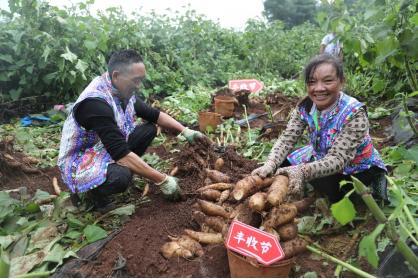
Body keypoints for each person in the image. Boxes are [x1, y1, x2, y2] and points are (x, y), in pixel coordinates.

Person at [58, 49, 207, 209]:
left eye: (141, 80)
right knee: (121, 177)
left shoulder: (121, 90)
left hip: (102, 148)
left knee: (149, 129)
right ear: (116, 75)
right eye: (136, 80)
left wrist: (185, 131)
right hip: (80, 160)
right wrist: (162, 180)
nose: (139, 85)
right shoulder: (95, 103)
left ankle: (123, 169)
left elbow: (154, 115)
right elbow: (120, 153)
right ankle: (91, 194)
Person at [252, 54, 387, 203]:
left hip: (354, 165)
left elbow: (338, 159)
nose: (319, 88)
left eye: (328, 81)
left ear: (341, 81)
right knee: (282, 164)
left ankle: (375, 181)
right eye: (312, 82)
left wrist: (303, 171)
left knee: (331, 188)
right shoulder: (306, 106)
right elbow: (286, 139)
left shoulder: (355, 113)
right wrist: (270, 163)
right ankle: (276, 192)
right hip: (321, 153)